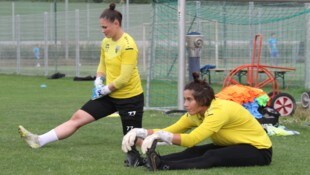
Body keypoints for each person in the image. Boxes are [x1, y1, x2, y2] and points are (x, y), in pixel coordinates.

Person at [19, 3, 144, 166]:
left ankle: (170, 138)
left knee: (133, 140)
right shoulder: (106, 42)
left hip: (130, 98)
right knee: (78, 118)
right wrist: (99, 79)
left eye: (105, 27)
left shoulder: (128, 45)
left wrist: (105, 89)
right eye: (101, 27)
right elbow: (103, 64)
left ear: (116, 23)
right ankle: (38, 140)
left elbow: (124, 78)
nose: (103, 30)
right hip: (110, 96)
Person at [122, 72, 272, 171]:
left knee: (212, 156)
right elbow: (172, 129)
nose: (185, 104)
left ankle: (163, 165)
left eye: (189, 100)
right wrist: (140, 132)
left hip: (258, 150)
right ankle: (150, 161)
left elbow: (191, 139)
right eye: (185, 99)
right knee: (193, 152)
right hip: (233, 144)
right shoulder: (196, 112)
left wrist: (159, 136)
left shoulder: (219, 112)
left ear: (202, 100)